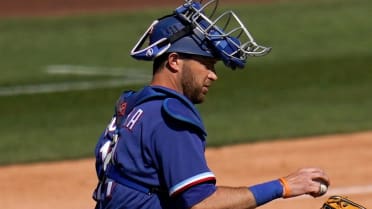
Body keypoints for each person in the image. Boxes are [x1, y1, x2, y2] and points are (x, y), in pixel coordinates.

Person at [92, 0, 330, 209]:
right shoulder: (170, 117)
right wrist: (284, 186)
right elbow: (203, 203)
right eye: (207, 64)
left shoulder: (133, 105)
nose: (213, 75)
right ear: (174, 61)